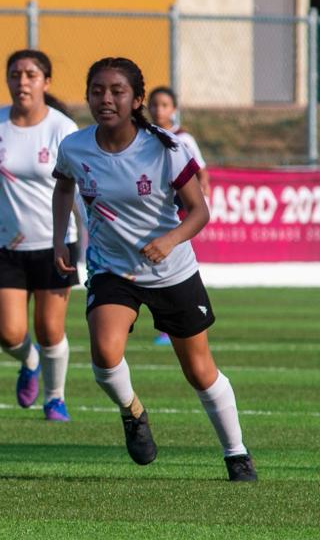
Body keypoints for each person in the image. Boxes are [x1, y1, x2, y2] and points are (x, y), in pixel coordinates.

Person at [51, 57, 256, 481]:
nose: (105, 99)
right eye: (97, 91)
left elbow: (199, 211)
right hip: (112, 270)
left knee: (199, 370)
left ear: (137, 99)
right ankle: (134, 412)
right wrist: (60, 238)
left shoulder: (164, 147)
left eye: (117, 91)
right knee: (105, 355)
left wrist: (170, 239)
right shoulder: (74, 146)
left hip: (172, 271)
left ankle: (236, 454)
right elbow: (63, 185)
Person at [0, 50, 79, 421]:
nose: (22, 81)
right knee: (9, 334)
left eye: (31, 74)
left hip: (56, 244)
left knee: (49, 329)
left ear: (46, 81)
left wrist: (92, 240)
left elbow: (78, 188)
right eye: (15, 74)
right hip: (6, 245)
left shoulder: (62, 128)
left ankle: (55, 398)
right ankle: (29, 361)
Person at [147, 86, 210, 346]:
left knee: (171, 260)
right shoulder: (145, 136)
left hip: (179, 206)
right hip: (153, 207)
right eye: (155, 105)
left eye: (164, 105)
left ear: (173, 109)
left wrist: (202, 190)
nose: (159, 109)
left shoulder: (183, 139)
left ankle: (171, 324)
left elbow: (201, 170)